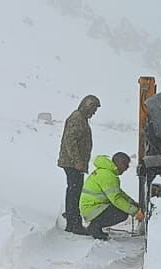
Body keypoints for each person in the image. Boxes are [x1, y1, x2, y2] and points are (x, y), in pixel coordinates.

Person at [57, 96, 100, 233]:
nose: (93, 113)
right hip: (72, 163)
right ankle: (73, 223)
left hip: (74, 163)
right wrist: (77, 160)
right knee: (74, 192)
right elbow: (70, 141)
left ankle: (73, 218)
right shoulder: (77, 119)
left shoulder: (81, 118)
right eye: (93, 109)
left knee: (74, 191)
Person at [79, 151, 143, 239]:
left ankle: (96, 226)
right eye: (126, 165)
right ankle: (94, 227)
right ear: (120, 163)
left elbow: (119, 193)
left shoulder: (106, 172)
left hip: (92, 207)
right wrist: (135, 212)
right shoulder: (108, 176)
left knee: (121, 208)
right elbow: (116, 199)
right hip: (92, 209)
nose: (127, 168)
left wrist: (132, 203)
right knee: (122, 213)